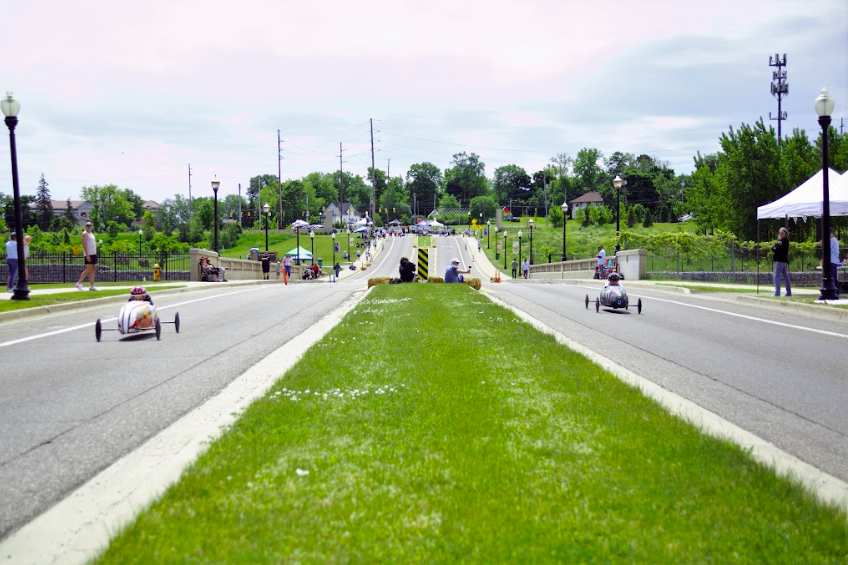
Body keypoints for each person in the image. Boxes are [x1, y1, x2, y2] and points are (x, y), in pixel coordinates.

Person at [76, 222, 98, 291]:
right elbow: (84, 244)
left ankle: (91, 286)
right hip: (88, 254)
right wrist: (87, 254)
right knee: (89, 269)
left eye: (90, 225)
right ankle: (79, 283)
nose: (89, 226)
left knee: (93, 269)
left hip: (93, 253)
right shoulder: (84, 234)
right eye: (87, 225)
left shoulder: (91, 234)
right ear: (85, 226)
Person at [771, 227, 791, 297]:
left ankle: (777, 293)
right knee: (786, 277)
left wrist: (776, 248)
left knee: (776, 276)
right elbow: (773, 248)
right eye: (780, 233)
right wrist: (775, 248)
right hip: (781, 260)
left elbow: (778, 249)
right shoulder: (780, 241)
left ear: (785, 234)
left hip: (781, 261)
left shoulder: (785, 241)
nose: (781, 234)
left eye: (782, 233)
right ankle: (788, 292)